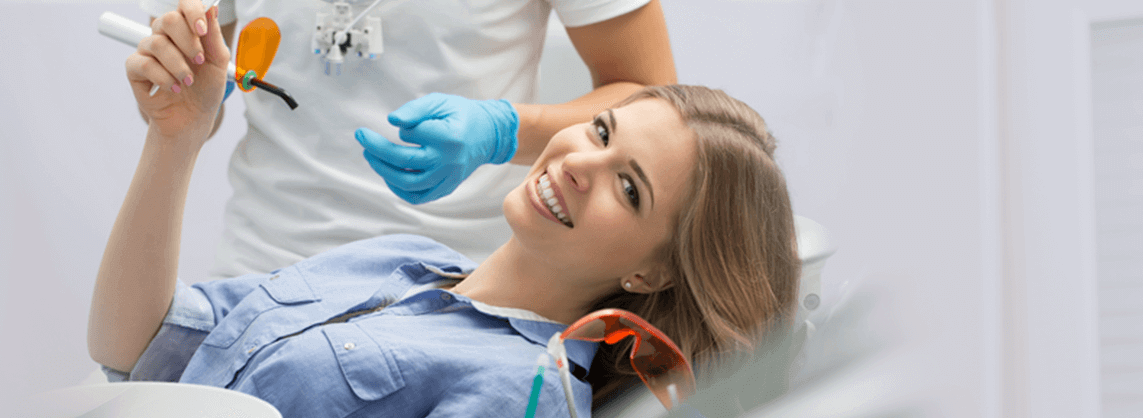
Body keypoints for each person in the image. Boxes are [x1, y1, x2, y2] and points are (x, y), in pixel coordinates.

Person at [93, 16, 796, 415]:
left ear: (649, 274)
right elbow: (133, 350)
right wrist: (174, 140)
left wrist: (499, 127)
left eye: (631, 189)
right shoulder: (389, 260)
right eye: (603, 131)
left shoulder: (523, 389)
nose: (581, 160)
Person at [131, 0, 678, 280]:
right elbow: (196, 90)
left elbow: (652, 102)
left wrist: (503, 129)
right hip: (256, 277)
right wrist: (179, 93)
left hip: (457, 290)